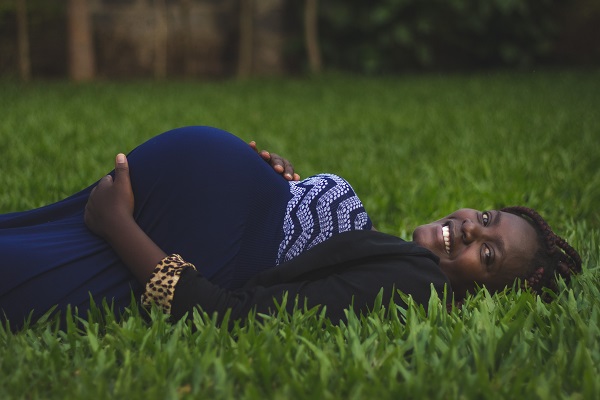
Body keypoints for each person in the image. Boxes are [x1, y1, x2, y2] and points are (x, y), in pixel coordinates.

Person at [1, 126, 582, 329]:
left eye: (487, 256)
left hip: (136, 227)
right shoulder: (399, 260)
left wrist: (117, 223)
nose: (468, 231)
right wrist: (285, 186)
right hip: (160, 205)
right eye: (486, 220)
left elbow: (233, 314)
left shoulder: (416, 285)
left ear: (486, 291)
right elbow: (300, 245)